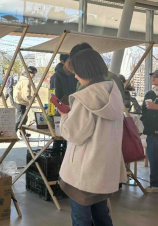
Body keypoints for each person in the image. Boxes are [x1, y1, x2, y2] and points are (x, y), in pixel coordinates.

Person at [58, 49, 127, 226]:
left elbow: (73, 134)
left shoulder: (84, 99)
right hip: (105, 170)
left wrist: (64, 116)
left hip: (84, 172)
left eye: (76, 72)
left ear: (84, 71)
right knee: (102, 215)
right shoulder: (113, 93)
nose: (75, 77)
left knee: (81, 217)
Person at [50, 54, 77, 150]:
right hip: (60, 113)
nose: (72, 64)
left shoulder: (75, 76)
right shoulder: (56, 77)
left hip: (73, 112)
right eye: (70, 61)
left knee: (69, 143)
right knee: (58, 141)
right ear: (62, 61)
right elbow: (53, 98)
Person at [141, 70, 158, 193]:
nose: (153, 78)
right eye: (153, 75)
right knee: (153, 157)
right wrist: (147, 122)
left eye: (155, 76)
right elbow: (144, 112)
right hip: (152, 131)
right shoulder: (150, 94)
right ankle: (155, 184)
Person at [14, 66, 37, 132]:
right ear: (30, 73)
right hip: (21, 101)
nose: (34, 75)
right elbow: (25, 94)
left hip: (19, 101)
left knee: (23, 118)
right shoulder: (26, 81)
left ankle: (22, 132)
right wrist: (31, 99)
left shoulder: (23, 79)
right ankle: (13, 132)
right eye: (34, 73)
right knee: (21, 118)